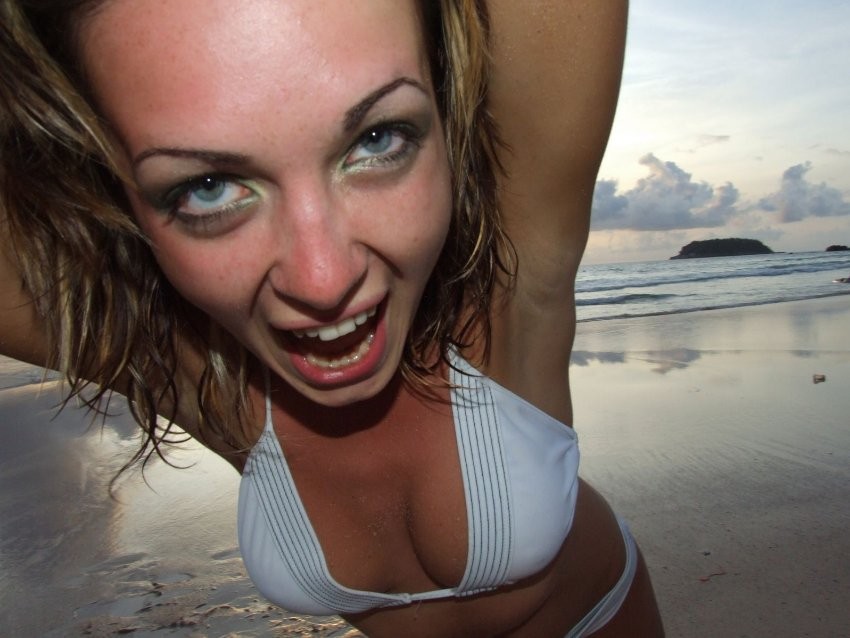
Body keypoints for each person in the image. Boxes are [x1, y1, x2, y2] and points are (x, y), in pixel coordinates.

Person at [0, 0, 663, 635]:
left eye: (379, 139)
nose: (324, 280)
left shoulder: (506, 294)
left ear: (444, 108)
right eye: (207, 187)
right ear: (119, 203)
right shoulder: (197, 374)